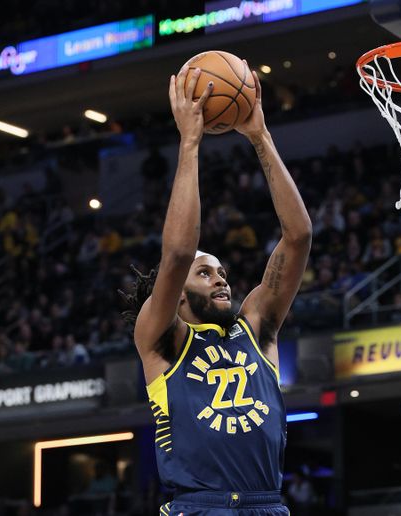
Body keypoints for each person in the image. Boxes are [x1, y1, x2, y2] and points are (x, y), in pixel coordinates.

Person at [120, 65, 311, 516]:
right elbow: (180, 251)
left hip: (267, 505)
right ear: (177, 296)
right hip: (200, 506)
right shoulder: (163, 339)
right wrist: (189, 143)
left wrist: (260, 136)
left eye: (222, 271)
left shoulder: (257, 328)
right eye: (206, 274)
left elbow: (299, 236)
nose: (221, 277)